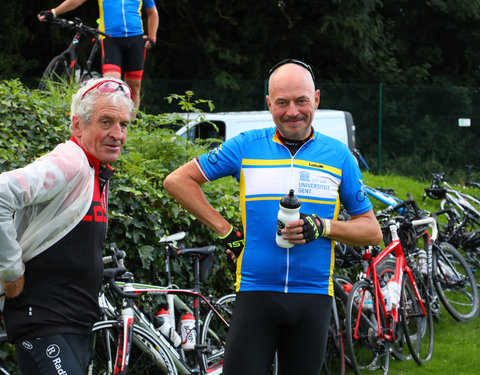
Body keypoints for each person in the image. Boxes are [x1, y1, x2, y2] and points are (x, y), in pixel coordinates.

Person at [163, 59, 383, 375]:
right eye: (282, 102)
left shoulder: (339, 156)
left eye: (301, 101)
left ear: (316, 99)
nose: (292, 111)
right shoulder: (246, 146)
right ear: (269, 104)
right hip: (256, 292)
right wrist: (225, 230)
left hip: (313, 296)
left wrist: (323, 227)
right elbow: (177, 181)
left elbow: (372, 230)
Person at [0, 77, 134, 375]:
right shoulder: (70, 161)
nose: (117, 134)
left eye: (123, 124)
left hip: (74, 323)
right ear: (78, 126)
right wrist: (11, 272)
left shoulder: (95, 171)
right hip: (44, 320)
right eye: (106, 122)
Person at [38, 0, 159, 109]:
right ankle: (112, 122)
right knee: (111, 85)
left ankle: (131, 125)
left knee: (134, 87)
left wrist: (152, 37)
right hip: (110, 39)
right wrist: (53, 12)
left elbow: (152, 13)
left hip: (136, 40)